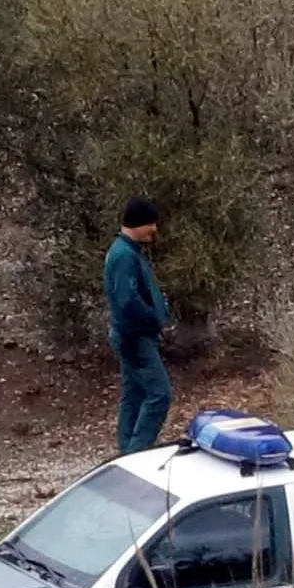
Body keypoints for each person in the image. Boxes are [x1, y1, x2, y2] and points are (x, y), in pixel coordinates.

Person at [103, 195, 174, 456]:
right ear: (138, 223)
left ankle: (125, 454)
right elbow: (127, 300)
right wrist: (153, 318)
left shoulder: (124, 252)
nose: (154, 229)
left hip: (129, 334)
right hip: (135, 336)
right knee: (159, 395)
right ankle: (138, 453)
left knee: (133, 395)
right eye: (150, 224)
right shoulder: (125, 256)